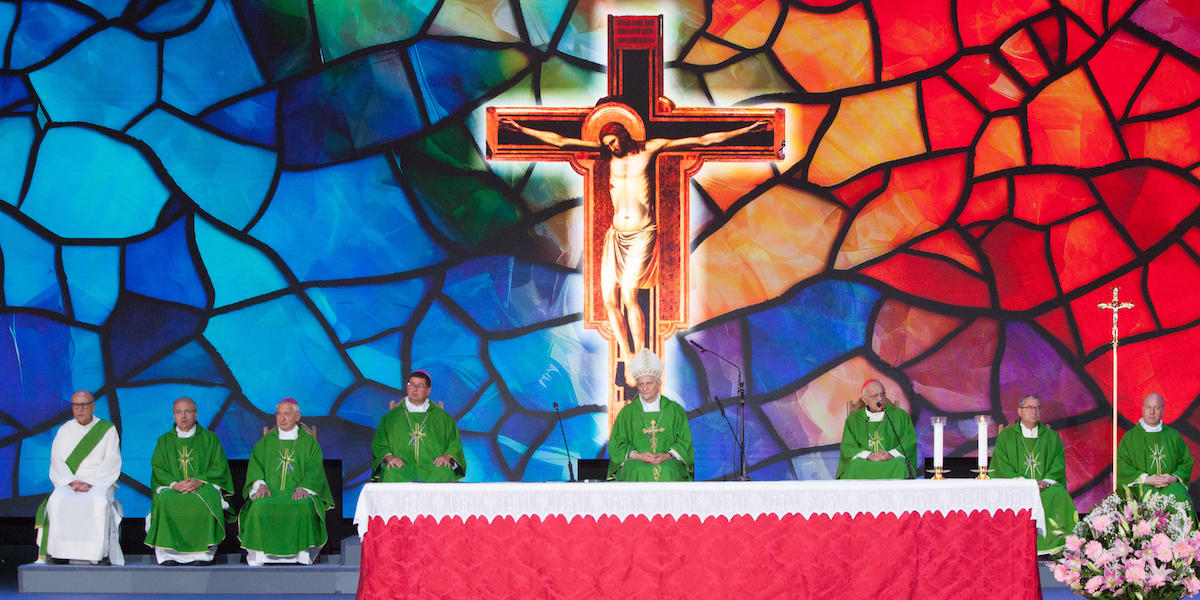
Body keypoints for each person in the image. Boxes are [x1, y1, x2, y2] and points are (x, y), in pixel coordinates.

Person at [500, 115, 768, 384]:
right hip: (616, 236)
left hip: (642, 234)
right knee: (608, 299)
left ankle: (640, 355)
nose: (612, 147)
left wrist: (748, 129)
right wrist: (520, 129)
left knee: (629, 294)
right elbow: (560, 142)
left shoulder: (651, 149)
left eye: (614, 141)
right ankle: (628, 357)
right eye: (608, 144)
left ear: (624, 135)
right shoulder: (609, 156)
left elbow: (701, 140)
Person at [238, 398, 334, 566]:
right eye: (279, 414)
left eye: (287, 414)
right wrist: (260, 484)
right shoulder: (266, 441)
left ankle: (301, 556)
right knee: (259, 505)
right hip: (270, 492)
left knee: (303, 506)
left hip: (298, 493)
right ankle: (262, 556)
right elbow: (256, 464)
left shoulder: (309, 442)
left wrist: (304, 487)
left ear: (297, 416)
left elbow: (315, 469)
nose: (281, 419)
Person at [35, 390, 123, 565]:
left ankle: (94, 553)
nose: (80, 409)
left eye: (84, 405)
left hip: (98, 482)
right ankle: (60, 552)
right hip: (70, 482)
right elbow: (57, 461)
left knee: (97, 502)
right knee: (57, 500)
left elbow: (112, 461)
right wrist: (71, 481)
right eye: (76, 405)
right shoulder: (64, 430)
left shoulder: (107, 430)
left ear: (93, 406)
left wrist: (91, 483)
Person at [144, 397, 234, 565]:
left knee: (206, 497)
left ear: (196, 414)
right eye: (179, 412)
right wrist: (175, 484)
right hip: (173, 487)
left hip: (202, 486)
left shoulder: (210, 439)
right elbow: (158, 468)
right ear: (173, 415)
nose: (183, 416)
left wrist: (200, 481)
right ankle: (169, 554)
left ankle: (202, 554)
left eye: (188, 411)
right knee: (165, 499)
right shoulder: (164, 441)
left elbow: (218, 467)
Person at [991, 394, 1079, 555]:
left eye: (1038, 407)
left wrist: (1045, 482)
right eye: (1030, 407)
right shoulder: (1007, 437)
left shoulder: (1051, 437)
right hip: (1017, 487)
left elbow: (1058, 463)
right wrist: (1024, 484)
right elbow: (1001, 464)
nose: (1034, 411)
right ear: (1020, 411)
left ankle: (1061, 546)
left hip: (1045, 488)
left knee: (1059, 495)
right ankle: (1013, 546)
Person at [607, 348, 694, 481]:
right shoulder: (628, 412)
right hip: (636, 462)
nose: (645, 388)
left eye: (649, 383)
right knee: (638, 469)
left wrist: (667, 455)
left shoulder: (674, 410)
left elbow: (685, 442)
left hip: (667, 462)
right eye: (641, 384)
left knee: (668, 469)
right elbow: (616, 445)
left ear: (658, 383)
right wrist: (637, 456)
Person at [371, 370, 466, 482]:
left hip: (433, 467)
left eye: (420, 386)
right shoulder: (390, 417)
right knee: (391, 472)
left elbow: (454, 443)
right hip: (401, 466)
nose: (414, 389)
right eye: (411, 384)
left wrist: (446, 457)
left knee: (445, 472)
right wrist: (390, 458)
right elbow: (379, 444)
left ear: (428, 390)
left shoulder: (443, 417)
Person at [1117, 393, 1194, 514]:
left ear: (1163, 410)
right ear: (1142, 409)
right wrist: (1146, 479)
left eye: (1156, 408)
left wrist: (1173, 478)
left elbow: (1186, 462)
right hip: (1142, 486)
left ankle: (1181, 533)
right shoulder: (1130, 437)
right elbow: (1121, 466)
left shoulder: (1173, 436)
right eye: (1148, 407)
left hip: (1169, 485)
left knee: (1180, 494)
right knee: (1141, 497)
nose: (1152, 412)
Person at [836, 380, 917, 479]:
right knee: (855, 465)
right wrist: (868, 455)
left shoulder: (900, 416)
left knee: (900, 464)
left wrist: (891, 454)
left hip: (891, 462)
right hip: (865, 462)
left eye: (882, 394)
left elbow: (909, 440)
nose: (880, 399)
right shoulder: (853, 419)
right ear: (865, 400)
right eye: (875, 396)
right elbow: (847, 446)